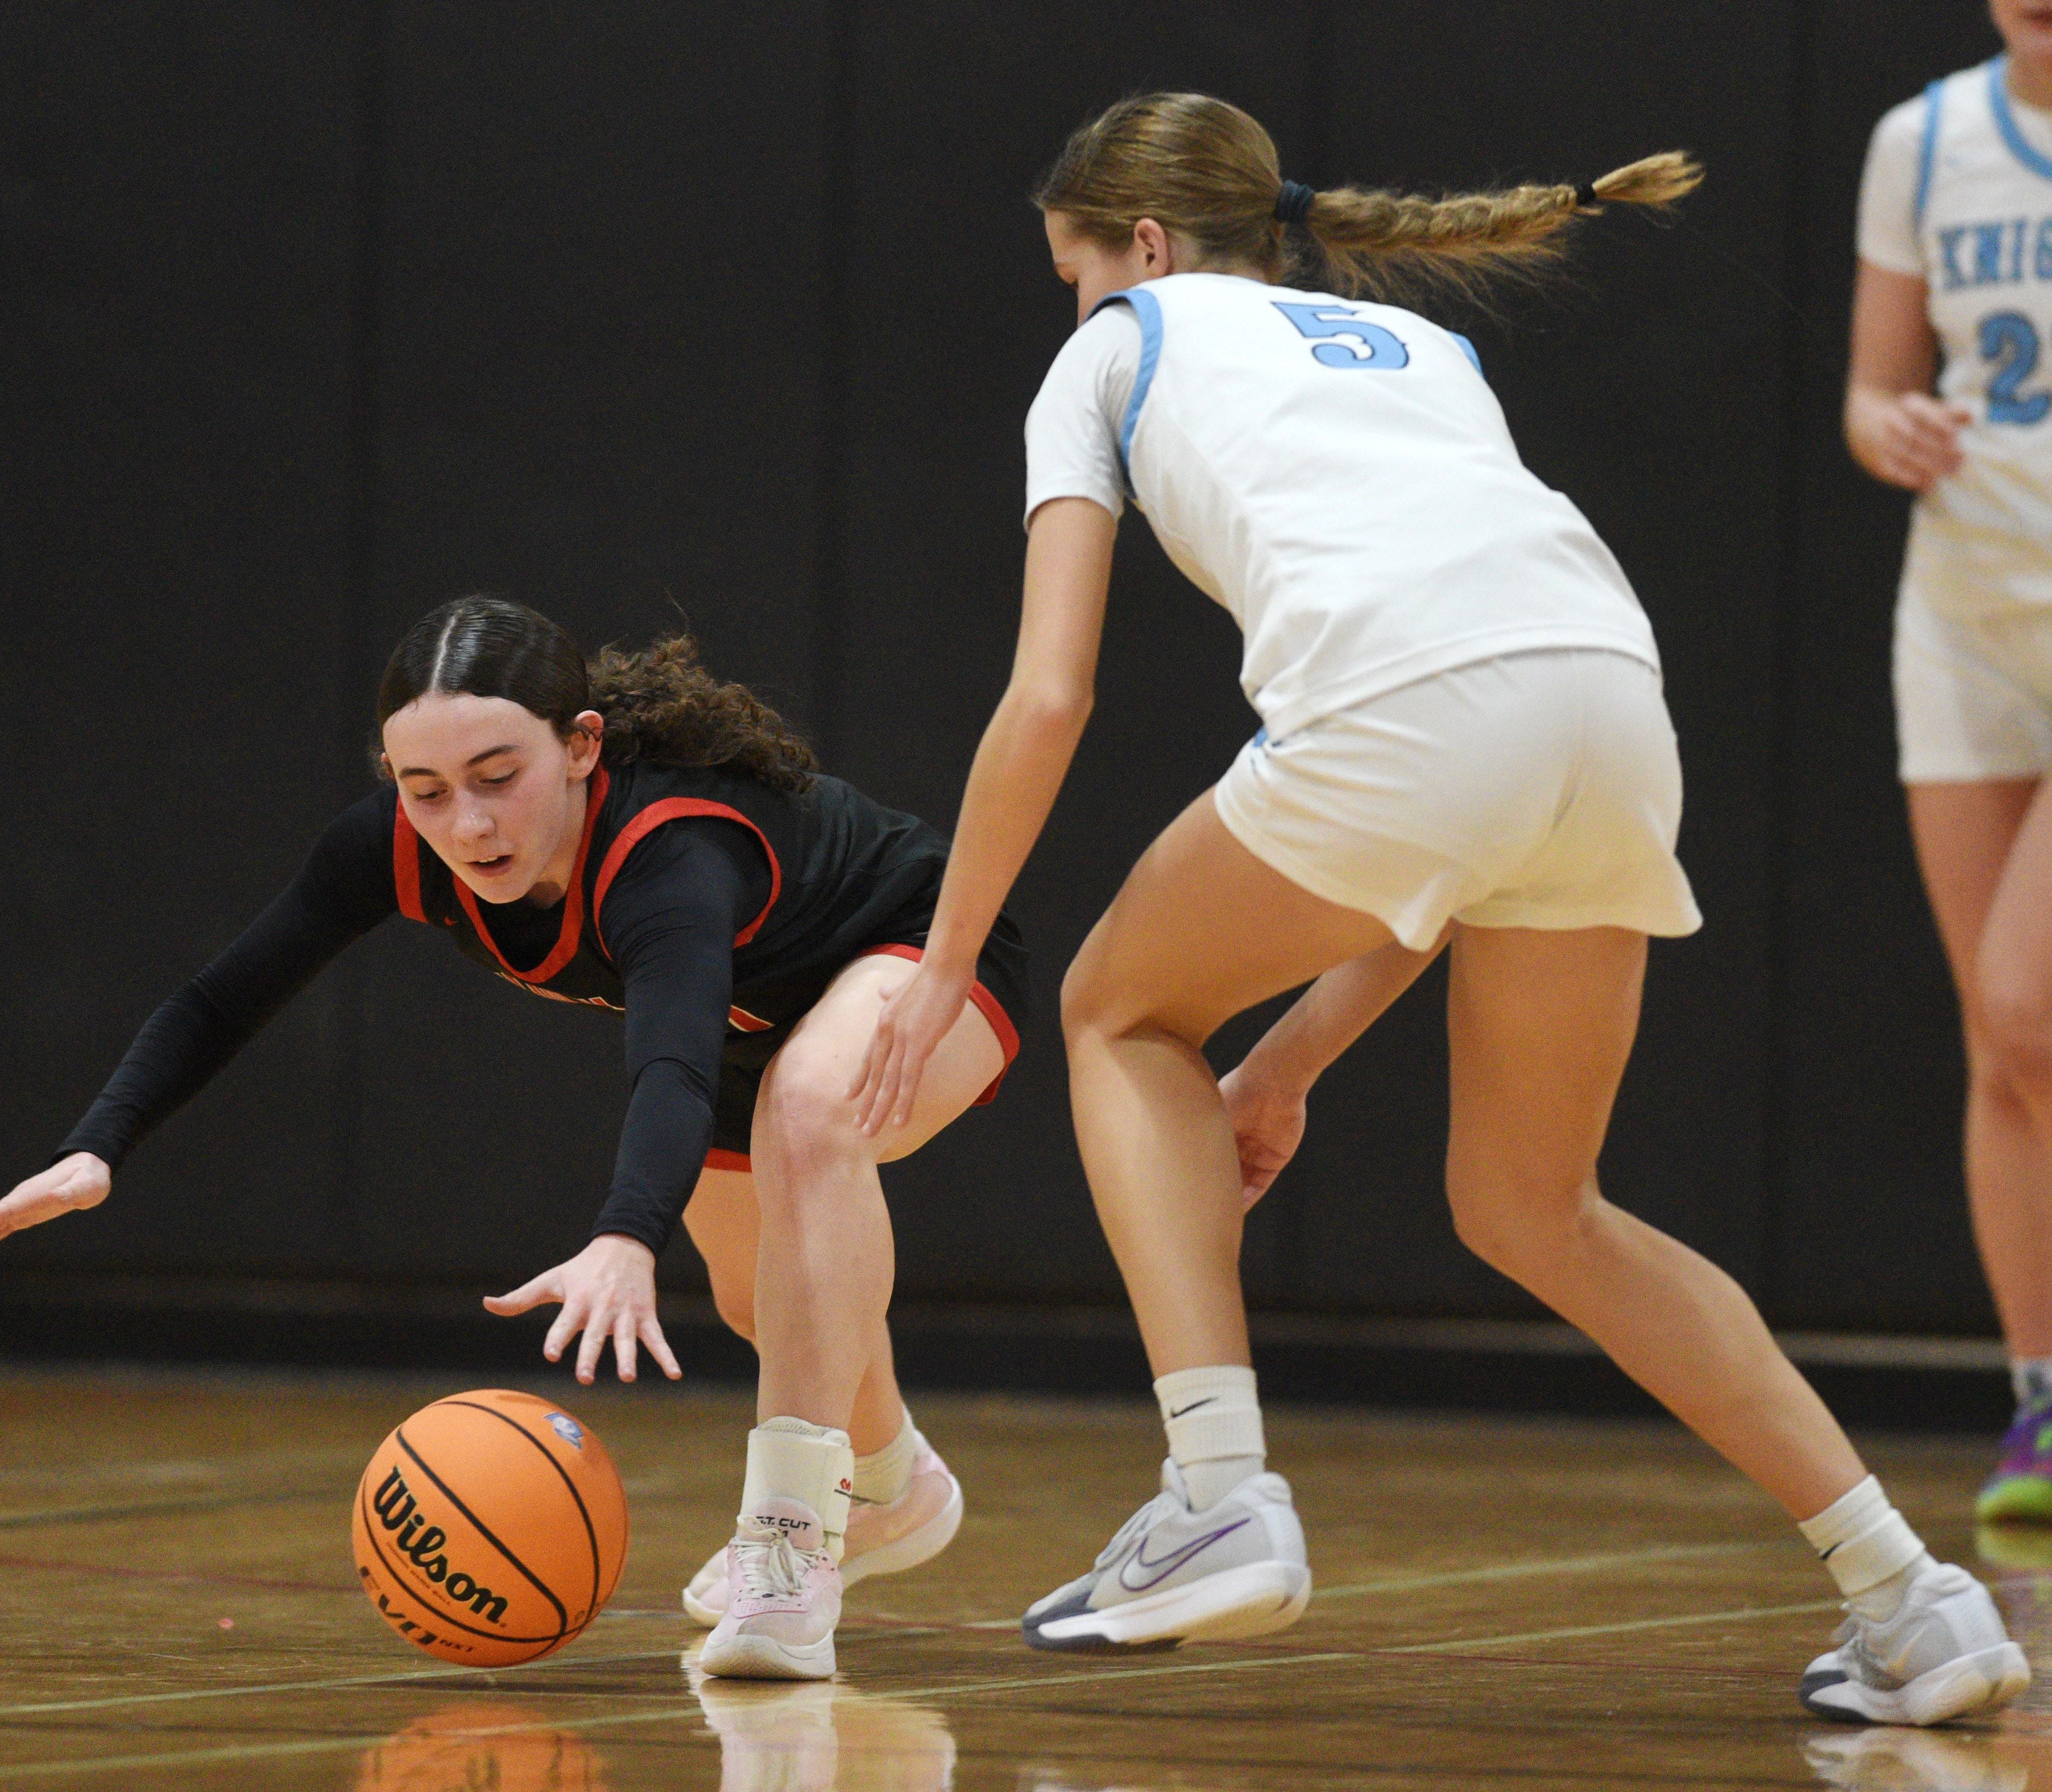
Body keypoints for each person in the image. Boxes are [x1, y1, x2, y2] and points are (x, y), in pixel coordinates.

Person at [847, 92, 2028, 1724]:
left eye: (1074, 268)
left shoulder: (1113, 346)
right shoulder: (1423, 352)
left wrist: (944, 960)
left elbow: (1049, 696)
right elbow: (1468, 796)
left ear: (1134, 244)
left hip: (1418, 715)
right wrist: (1296, 1059)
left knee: (1115, 1007)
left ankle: (1215, 1489)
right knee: (1540, 1202)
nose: (1074, 300)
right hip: (1609, 699)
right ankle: (1914, 1596)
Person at [0, 596, 1029, 1683]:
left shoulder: (670, 850)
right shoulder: (399, 849)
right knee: (766, 1300)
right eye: (427, 792)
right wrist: (101, 1145)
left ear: (581, 745)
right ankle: (891, 1483)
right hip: (752, 1023)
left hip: (923, 948)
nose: (468, 824)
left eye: (499, 777)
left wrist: (625, 1235)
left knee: (809, 1110)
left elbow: (672, 1065)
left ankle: (789, 1542)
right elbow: (221, 999)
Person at [1850, 1, 2052, 1526]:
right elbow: (1868, 392)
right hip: (1964, 617)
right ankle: (2037, 1405)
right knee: (2005, 1048)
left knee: (2022, 995)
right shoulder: (1920, 140)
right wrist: (1890, 425)